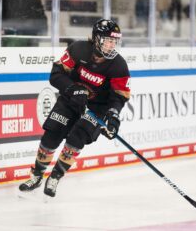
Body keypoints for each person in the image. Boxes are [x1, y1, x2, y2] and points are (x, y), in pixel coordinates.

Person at [19, 19, 131, 197]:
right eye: (108, 40)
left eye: (114, 41)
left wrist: (113, 116)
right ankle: (37, 175)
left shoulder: (119, 65)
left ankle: (55, 176)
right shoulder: (78, 49)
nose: (112, 45)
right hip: (71, 99)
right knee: (52, 134)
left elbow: (119, 96)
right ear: (96, 39)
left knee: (77, 138)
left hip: (97, 108)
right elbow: (56, 74)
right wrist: (72, 89)